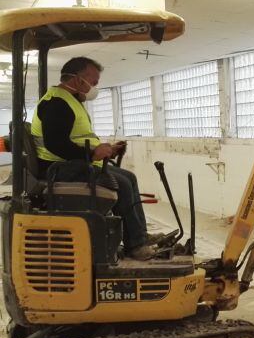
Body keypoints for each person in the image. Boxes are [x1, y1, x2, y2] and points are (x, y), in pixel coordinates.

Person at [31, 57, 160, 260]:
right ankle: (135, 246)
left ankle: (138, 235)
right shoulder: (57, 103)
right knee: (122, 184)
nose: (96, 86)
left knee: (129, 177)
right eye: (94, 81)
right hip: (58, 168)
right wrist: (92, 154)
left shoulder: (70, 100)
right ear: (76, 79)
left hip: (75, 163)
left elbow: (79, 139)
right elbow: (55, 144)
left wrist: (105, 150)